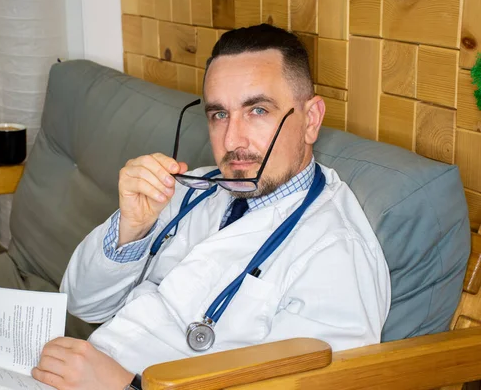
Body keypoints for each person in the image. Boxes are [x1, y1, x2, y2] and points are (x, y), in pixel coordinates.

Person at [31, 24, 391, 390]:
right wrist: (132, 229)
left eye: (258, 111)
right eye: (219, 115)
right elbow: (82, 303)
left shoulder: (336, 253)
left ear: (311, 120)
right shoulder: (191, 189)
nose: (232, 141)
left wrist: (126, 387)